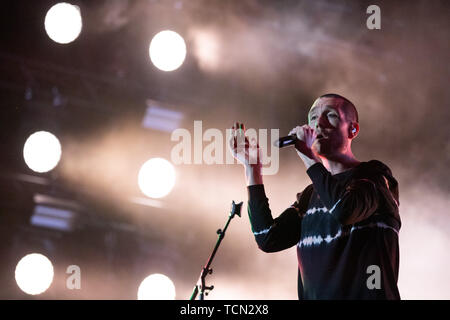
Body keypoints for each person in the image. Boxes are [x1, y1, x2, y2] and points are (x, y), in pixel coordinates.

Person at [228, 93, 401, 299]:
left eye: (331, 115)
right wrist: (252, 168)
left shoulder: (375, 176)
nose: (318, 123)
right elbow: (268, 238)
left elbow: (345, 210)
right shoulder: (310, 195)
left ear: (352, 129)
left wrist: (309, 159)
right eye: (312, 117)